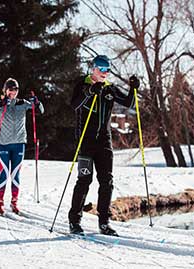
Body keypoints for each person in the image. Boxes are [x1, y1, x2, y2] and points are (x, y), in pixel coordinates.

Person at [68, 55, 140, 236]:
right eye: (101, 68)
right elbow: (74, 105)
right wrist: (90, 91)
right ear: (93, 68)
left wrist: (133, 88)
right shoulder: (82, 84)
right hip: (85, 140)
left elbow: (130, 103)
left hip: (104, 142)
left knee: (107, 182)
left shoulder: (110, 89)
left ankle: (104, 222)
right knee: (84, 180)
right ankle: (74, 221)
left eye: (107, 69)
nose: (104, 72)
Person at [0, 78, 44, 215]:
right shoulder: (1, 103)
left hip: (19, 144)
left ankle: (14, 202)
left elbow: (40, 110)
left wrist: (37, 102)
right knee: (5, 173)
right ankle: (0, 202)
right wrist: (1, 103)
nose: (13, 92)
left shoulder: (22, 103)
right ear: (5, 90)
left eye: (16, 89)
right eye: (10, 89)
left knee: (15, 174)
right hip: (3, 145)